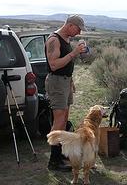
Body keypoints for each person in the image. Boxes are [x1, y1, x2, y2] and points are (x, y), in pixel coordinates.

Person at [45, 14, 87, 171]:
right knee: (59, 121)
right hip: (56, 83)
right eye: (78, 29)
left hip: (65, 82)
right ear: (70, 25)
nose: (79, 33)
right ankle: (54, 161)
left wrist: (70, 81)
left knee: (64, 119)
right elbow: (54, 65)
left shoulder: (66, 39)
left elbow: (65, 64)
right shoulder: (54, 40)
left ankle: (61, 155)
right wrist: (74, 53)